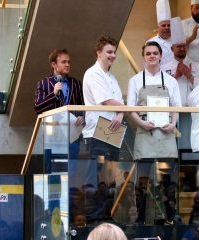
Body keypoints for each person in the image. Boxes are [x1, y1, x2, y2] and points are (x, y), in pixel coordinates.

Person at [127, 41, 181, 223]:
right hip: (145, 132)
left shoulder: (171, 81)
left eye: (155, 53)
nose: (151, 56)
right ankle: (141, 218)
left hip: (166, 134)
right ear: (143, 56)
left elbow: (176, 107)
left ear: (160, 56)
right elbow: (130, 109)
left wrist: (173, 124)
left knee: (167, 181)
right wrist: (141, 123)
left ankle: (169, 218)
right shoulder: (134, 80)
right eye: (148, 53)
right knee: (142, 180)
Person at [81, 35, 125, 204]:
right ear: (99, 53)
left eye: (114, 52)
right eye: (109, 52)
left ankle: (107, 213)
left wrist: (121, 114)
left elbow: (121, 105)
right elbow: (106, 101)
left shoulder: (112, 77)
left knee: (111, 177)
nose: (112, 55)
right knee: (95, 177)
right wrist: (123, 109)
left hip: (114, 131)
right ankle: (93, 216)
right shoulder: (92, 74)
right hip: (97, 132)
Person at [161, 17, 199, 107]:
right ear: (172, 49)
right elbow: (161, 92)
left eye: (184, 46)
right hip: (172, 110)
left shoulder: (197, 66)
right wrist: (176, 76)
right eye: (179, 46)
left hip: (192, 110)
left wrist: (190, 76)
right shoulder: (163, 68)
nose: (182, 49)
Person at [146, 0, 174, 66]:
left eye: (169, 25)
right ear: (158, 27)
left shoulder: (177, 40)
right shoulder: (150, 42)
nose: (167, 28)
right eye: (163, 25)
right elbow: (147, 65)